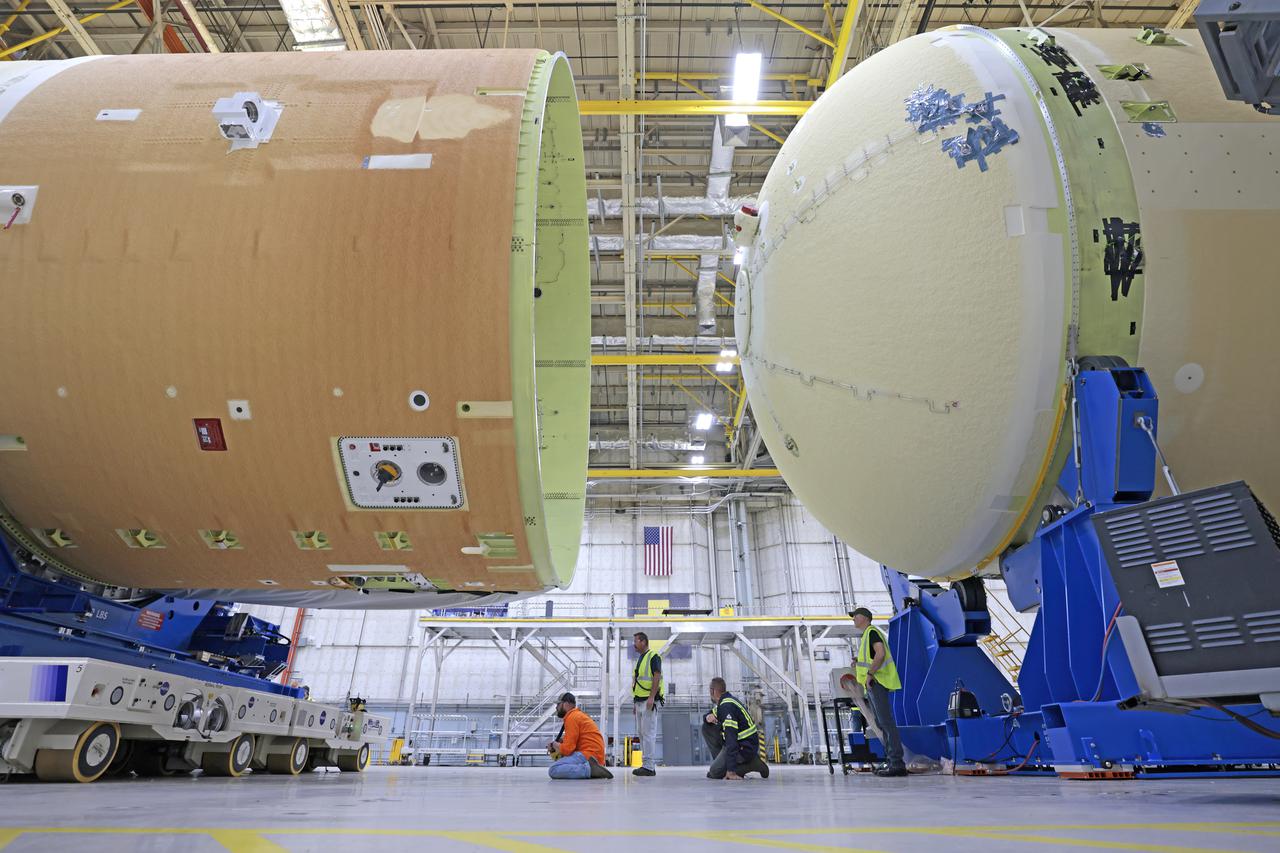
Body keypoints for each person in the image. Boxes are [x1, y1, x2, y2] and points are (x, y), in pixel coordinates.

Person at [851, 606, 907, 777]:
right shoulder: (867, 635)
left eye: (855, 616)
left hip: (877, 681)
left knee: (886, 722)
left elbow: (880, 654)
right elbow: (873, 657)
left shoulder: (872, 632)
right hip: (873, 683)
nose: (853, 619)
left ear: (865, 618)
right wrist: (858, 662)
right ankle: (892, 761)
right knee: (882, 723)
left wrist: (870, 674)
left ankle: (897, 764)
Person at [703, 677, 770, 780]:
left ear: (713, 691)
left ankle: (753, 764)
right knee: (706, 727)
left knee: (715, 773)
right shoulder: (726, 702)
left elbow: (731, 739)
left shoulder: (726, 707)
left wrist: (731, 771)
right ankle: (724, 766)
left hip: (744, 747)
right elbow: (711, 714)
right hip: (743, 744)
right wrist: (708, 717)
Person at [546, 692, 612, 780]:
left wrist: (555, 745)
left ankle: (590, 770)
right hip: (595, 756)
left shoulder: (572, 718)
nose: (556, 707)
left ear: (566, 704)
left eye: (558, 704)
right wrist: (561, 743)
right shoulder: (577, 715)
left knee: (553, 770)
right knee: (560, 764)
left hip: (589, 755)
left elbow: (567, 750)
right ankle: (593, 768)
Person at [631, 631, 662, 776]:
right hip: (639, 702)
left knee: (648, 733)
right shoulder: (641, 659)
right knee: (642, 734)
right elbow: (637, 682)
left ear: (643, 641)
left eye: (636, 641)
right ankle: (646, 764)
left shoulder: (653, 656)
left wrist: (651, 697)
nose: (634, 644)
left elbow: (657, 675)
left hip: (648, 702)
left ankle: (649, 767)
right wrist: (635, 703)